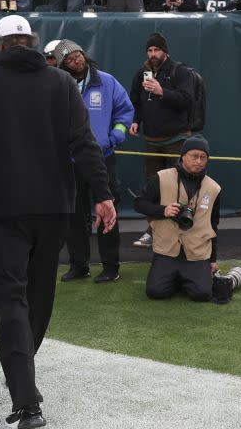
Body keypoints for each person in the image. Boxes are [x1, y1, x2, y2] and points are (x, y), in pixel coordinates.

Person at [0, 15, 115, 429]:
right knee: (39, 295)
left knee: (11, 300)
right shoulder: (61, 84)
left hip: (0, 209)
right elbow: (85, 143)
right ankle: (22, 369)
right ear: (32, 42)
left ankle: (25, 397)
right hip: (54, 208)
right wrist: (103, 193)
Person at [54, 40, 134, 283]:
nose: (76, 60)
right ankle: (79, 265)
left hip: (102, 159)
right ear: (62, 65)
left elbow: (124, 110)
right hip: (69, 162)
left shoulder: (107, 82)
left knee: (107, 212)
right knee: (73, 216)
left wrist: (116, 135)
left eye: (78, 54)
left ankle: (111, 267)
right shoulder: (59, 86)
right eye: (69, 59)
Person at [134, 135, 221, 301]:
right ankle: (179, 278)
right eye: (194, 156)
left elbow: (213, 224)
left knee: (202, 295)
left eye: (203, 157)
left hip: (197, 253)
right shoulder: (161, 177)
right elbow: (139, 204)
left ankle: (187, 278)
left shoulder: (214, 188)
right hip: (166, 251)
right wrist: (163, 210)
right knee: (155, 292)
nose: (199, 161)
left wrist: (213, 259)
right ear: (183, 156)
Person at [129, 33, 195, 248]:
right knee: (153, 189)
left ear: (165, 51)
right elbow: (135, 101)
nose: (153, 54)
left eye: (156, 50)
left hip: (176, 138)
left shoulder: (180, 71)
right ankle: (153, 230)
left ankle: (181, 232)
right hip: (151, 140)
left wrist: (161, 91)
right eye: (149, 50)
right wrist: (136, 120)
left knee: (178, 188)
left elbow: (187, 101)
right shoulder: (142, 73)